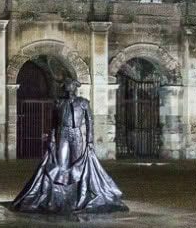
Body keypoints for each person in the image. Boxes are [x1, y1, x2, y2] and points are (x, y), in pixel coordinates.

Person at [10, 78, 128, 214]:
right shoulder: (59, 102)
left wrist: (90, 140)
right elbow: (53, 123)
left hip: (76, 133)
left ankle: (76, 191)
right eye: (66, 84)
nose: (68, 86)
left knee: (76, 162)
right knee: (61, 161)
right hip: (63, 133)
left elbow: (90, 121)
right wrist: (52, 139)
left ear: (75, 86)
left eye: (70, 84)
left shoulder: (83, 102)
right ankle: (62, 192)